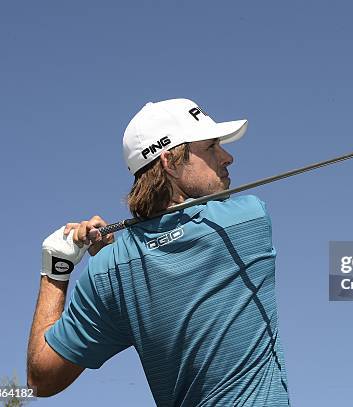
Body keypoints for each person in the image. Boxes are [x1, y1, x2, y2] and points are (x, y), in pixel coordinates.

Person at [27, 98, 290, 406]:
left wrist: (57, 268)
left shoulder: (110, 271)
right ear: (171, 162)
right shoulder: (247, 219)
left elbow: (40, 379)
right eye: (211, 147)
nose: (227, 157)